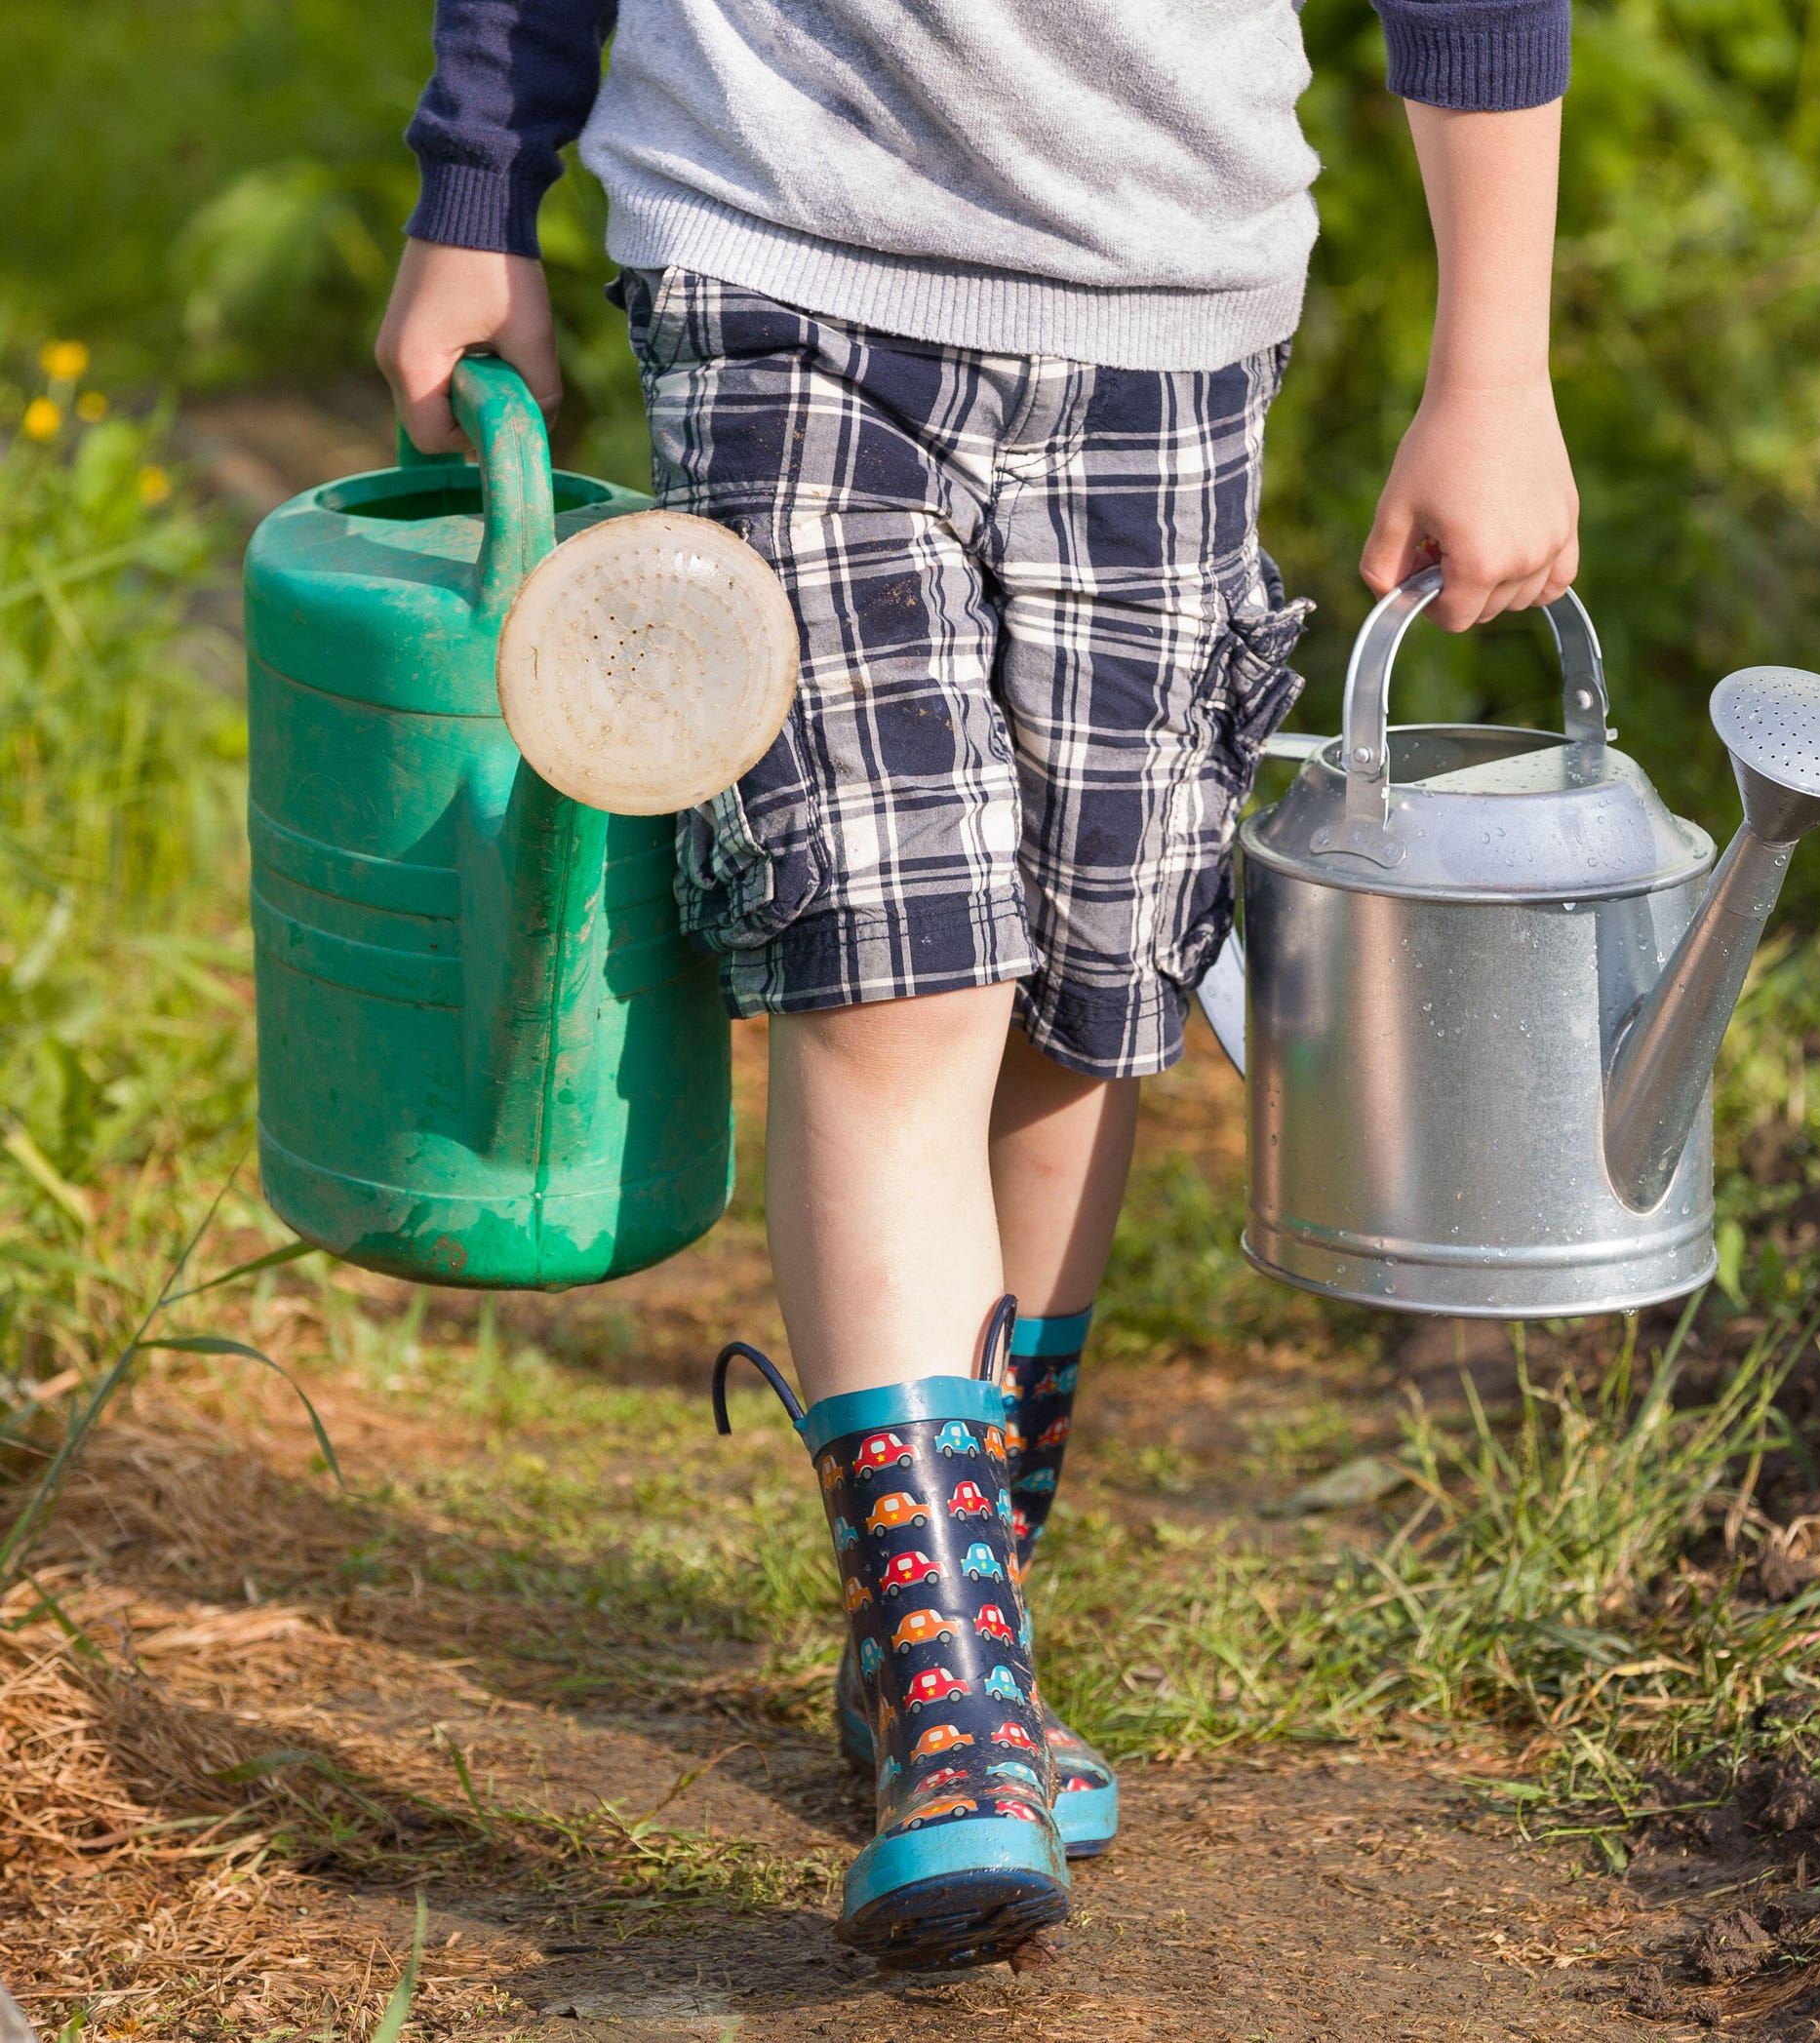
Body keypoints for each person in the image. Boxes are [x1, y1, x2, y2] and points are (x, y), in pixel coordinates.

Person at [373, 0, 1579, 1972]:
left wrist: (1494, 362)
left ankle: (949, 1622)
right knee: (893, 964)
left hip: (1170, 303)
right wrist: (477, 185)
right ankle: (955, 1709)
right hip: (777, 250)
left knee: (1081, 1002)